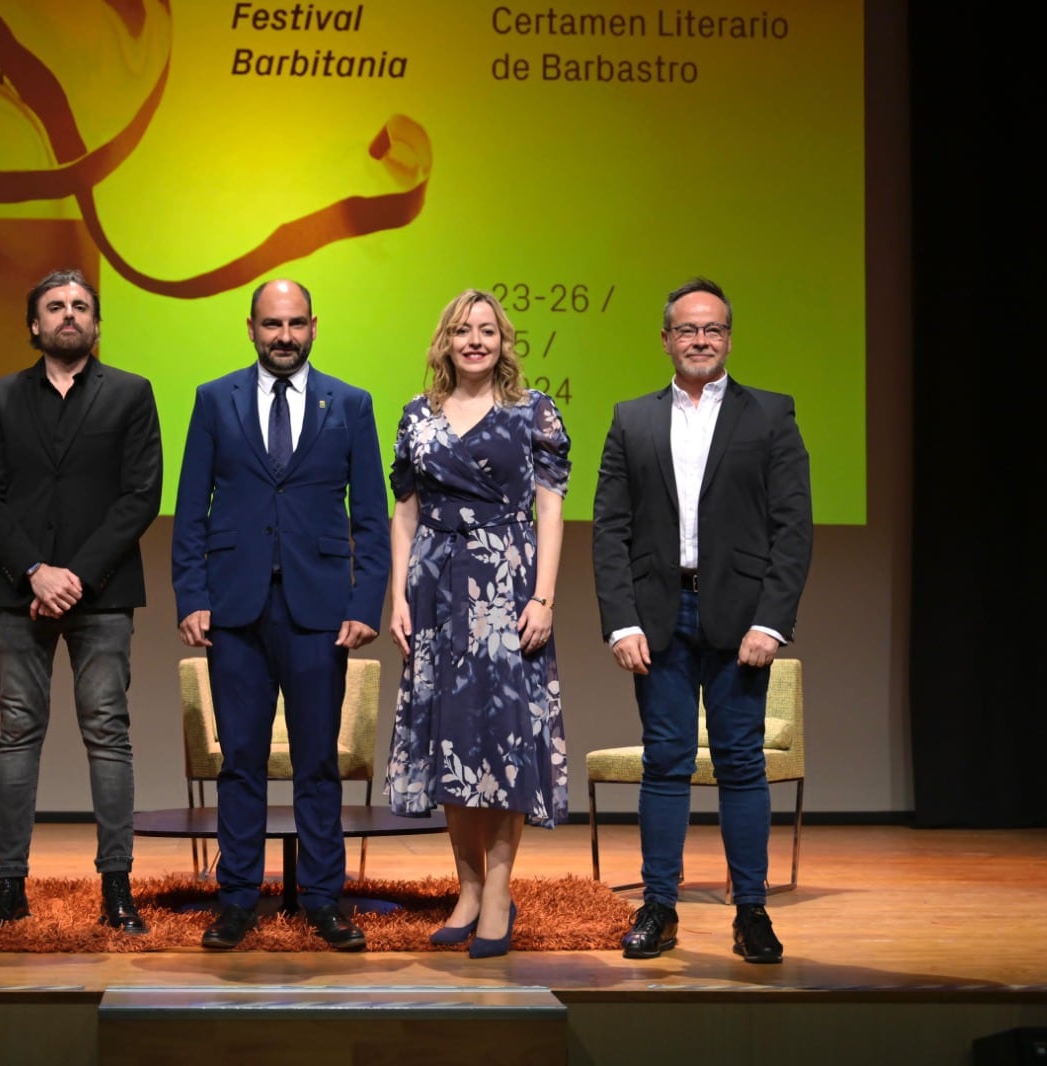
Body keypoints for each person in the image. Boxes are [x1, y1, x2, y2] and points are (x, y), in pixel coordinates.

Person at [591, 277, 812, 964]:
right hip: (657, 617)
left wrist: (772, 622)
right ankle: (660, 906)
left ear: (728, 338)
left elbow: (792, 528)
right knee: (666, 761)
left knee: (742, 764)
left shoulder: (770, 415)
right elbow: (609, 529)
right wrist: (620, 621)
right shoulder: (632, 419)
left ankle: (751, 911)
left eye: (712, 329)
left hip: (741, 617)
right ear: (665, 339)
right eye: (687, 329)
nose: (699, 340)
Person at [171, 279, 390, 951]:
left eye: (295, 323)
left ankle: (324, 900)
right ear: (251, 328)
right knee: (239, 761)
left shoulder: (350, 403)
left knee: (318, 762)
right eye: (272, 324)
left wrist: (363, 603)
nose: (284, 335)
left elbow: (372, 519)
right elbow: (190, 509)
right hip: (235, 607)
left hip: (321, 610)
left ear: (315, 327)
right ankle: (236, 899)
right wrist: (192, 595)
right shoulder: (214, 400)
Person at [0, 269, 163, 933]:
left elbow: (141, 495)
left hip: (102, 593)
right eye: (55, 307)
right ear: (35, 325)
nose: (69, 315)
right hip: (20, 592)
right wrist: (34, 572)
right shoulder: (1, 395)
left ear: (97, 324)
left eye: (81, 306)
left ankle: (116, 889)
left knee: (108, 732)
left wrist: (72, 575)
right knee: (18, 731)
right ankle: (9, 887)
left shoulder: (132, 394)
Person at [383, 289, 571, 959]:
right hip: (435, 590)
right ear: (446, 341)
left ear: (503, 341)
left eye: (486, 330)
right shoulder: (415, 416)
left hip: (507, 585)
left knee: (504, 740)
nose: (475, 340)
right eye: (463, 330)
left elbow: (550, 511)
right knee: (451, 739)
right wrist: (399, 597)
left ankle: (498, 891)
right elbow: (404, 512)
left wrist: (543, 597)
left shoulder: (531, 412)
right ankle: (464, 888)